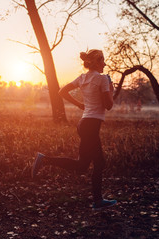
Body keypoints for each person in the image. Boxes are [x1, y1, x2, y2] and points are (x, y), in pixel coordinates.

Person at [31, 49, 116, 210]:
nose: (105, 64)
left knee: (83, 165)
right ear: (97, 62)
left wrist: (79, 105)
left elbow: (61, 91)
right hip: (90, 126)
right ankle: (98, 201)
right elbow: (109, 105)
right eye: (103, 61)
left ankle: (45, 160)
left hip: (84, 123)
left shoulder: (82, 78)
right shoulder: (103, 79)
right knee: (99, 162)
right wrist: (111, 87)